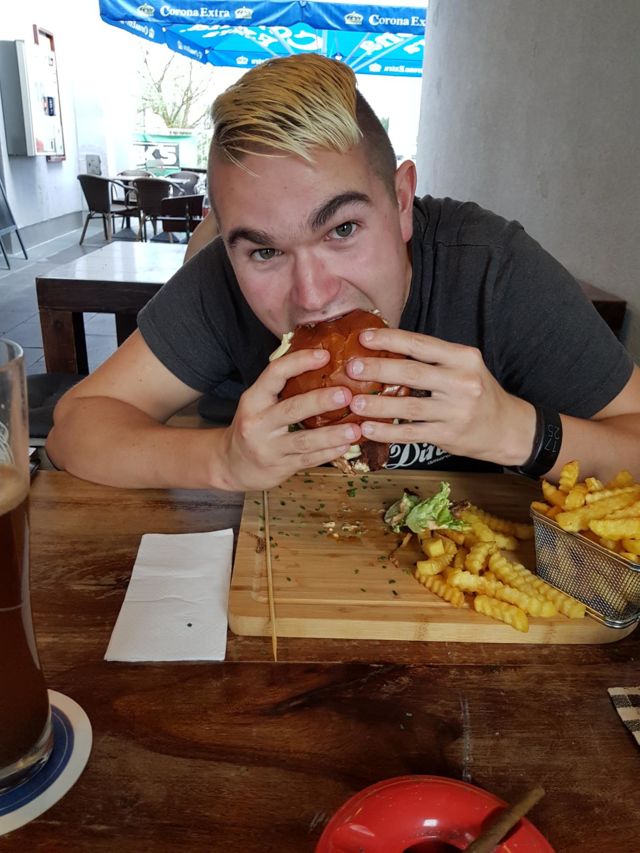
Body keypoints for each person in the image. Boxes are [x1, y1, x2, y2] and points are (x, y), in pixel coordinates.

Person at [47, 54, 640, 491]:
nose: (312, 295)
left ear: (401, 202)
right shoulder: (219, 281)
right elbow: (76, 428)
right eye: (264, 253)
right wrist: (222, 460)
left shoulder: (492, 271)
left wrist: (519, 430)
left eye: (343, 229)